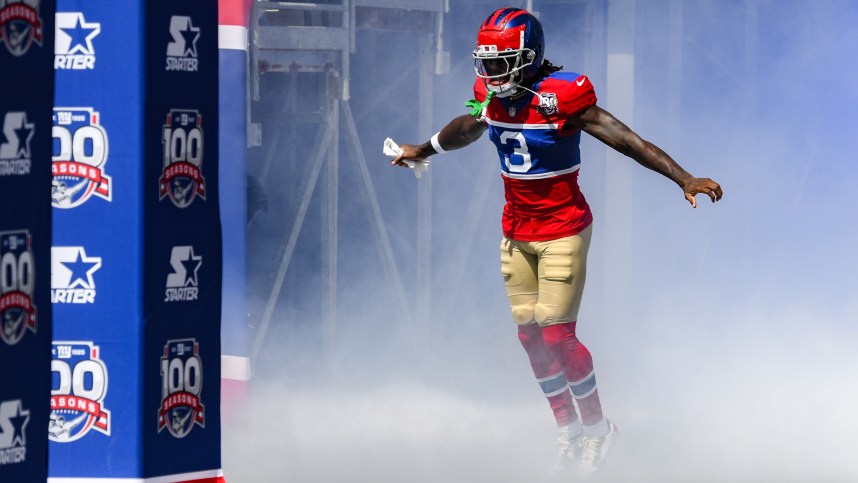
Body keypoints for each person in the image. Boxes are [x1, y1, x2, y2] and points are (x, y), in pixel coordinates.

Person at [390, 7, 722, 477]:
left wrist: (682, 177)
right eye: (487, 61)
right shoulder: (490, 93)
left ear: (528, 58)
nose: (491, 72)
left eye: (502, 61)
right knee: (528, 336)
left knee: (555, 334)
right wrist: (423, 149)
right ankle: (567, 431)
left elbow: (623, 138)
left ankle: (600, 431)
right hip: (515, 229)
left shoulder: (562, 95)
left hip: (563, 228)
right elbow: (469, 125)